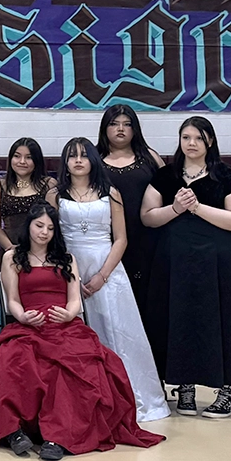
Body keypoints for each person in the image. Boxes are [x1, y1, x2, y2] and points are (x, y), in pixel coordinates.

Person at [0, 204, 164, 461]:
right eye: (39, 226)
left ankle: (58, 436)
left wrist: (70, 314)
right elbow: (13, 300)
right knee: (13, 356)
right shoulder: (12, 257)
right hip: (28, 325)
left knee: (75, 364)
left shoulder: (66, 258)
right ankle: (15, 432)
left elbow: (75, 300)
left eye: (50, 228)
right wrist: (22, 316)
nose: (44, 233)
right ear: (28, 226)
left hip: (64, 325)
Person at [141, 117, 231, 418]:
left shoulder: (225, 175)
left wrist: (197, 207)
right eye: (185, 137)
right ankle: (184, 386)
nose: (191, 143)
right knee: (179, 319)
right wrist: (175, 208)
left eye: (198, 138)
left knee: (225, 320)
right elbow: (147, 217)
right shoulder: (166, 175)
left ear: (209, 142)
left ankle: (228, 391)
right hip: (176, 263)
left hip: (221, 262)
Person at [53, 138, 170, 423]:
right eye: (72, 156)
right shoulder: (55, 195)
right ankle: (88, 402)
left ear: (93, 159)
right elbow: (52, 238)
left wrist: (102, 276)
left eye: (84, 155)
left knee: (118, 334)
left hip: (107, 270)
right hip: (70, 271)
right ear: (65, 162)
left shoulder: (111, 193)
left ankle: (131, 400)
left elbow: (121, 239)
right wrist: (70, 276)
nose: (78, 160)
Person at [98, 105, 164, 317]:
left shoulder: (150, 157)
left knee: (145, 298)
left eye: (127, 124)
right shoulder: (94, 160)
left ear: (135, 129)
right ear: (104, 128)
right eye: (114, 124)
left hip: (146, 238)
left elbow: (168, 193)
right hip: (105, 240)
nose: (121, 129)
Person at [0, 138, 56, 252]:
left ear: (37, 160)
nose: (22, 161)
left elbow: (53, 223)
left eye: (28, 157)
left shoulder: (49, 184)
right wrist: (10, 248)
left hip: (41, 251)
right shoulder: (0, 185)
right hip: (10, 250)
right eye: (17, 156)